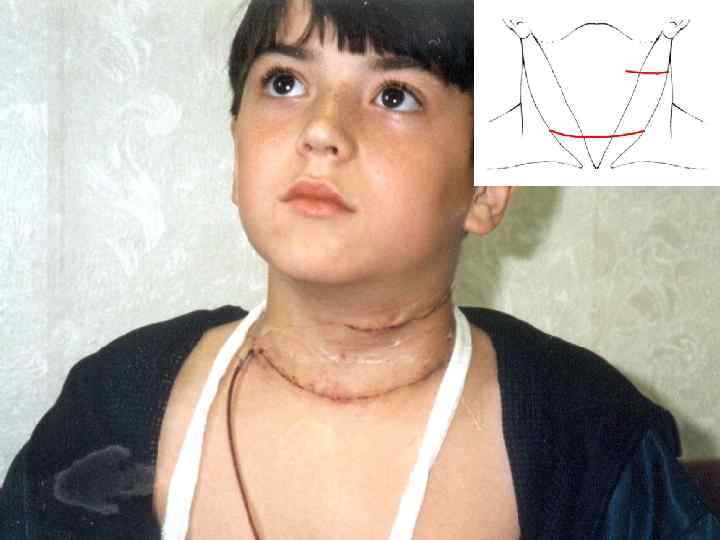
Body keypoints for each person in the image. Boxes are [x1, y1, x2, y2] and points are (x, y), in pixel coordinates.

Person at [1, 0, 718, 538]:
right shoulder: (109, 405)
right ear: (237, 147)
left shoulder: (588, 436)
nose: (320, 128)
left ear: (487, 188)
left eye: (394, 95)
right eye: (284, 82)